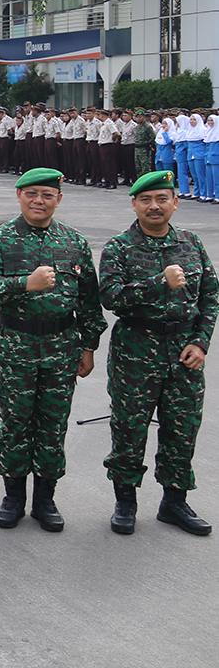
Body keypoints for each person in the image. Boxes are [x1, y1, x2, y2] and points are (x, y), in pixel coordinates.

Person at [0, 168, 105, 531]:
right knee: (15, 422)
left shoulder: (74, 242)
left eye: (47, 194)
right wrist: (24, 284)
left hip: (62, 346)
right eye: (31, 193)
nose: (38, 201)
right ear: (19, 196)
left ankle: (45, 498)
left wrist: (89, 345)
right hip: (16, 345)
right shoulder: (1, 238)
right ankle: (13, 495)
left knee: (53, 424)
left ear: (59, 199)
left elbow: (89, 300)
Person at [98, 169, 216, 536]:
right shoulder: (120, 247)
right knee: (129, 428)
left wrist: (201, 342)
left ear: (174, 203)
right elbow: (111, 296)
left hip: (184, 351)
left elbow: (210, 296)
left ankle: (174, 502)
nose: (154, 206)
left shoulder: (191, 243)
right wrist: (158, 283)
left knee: (182, 429)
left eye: (162, 199)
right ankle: (126, 502)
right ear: (134, 204)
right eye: (146, 200)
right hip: (136, 351)